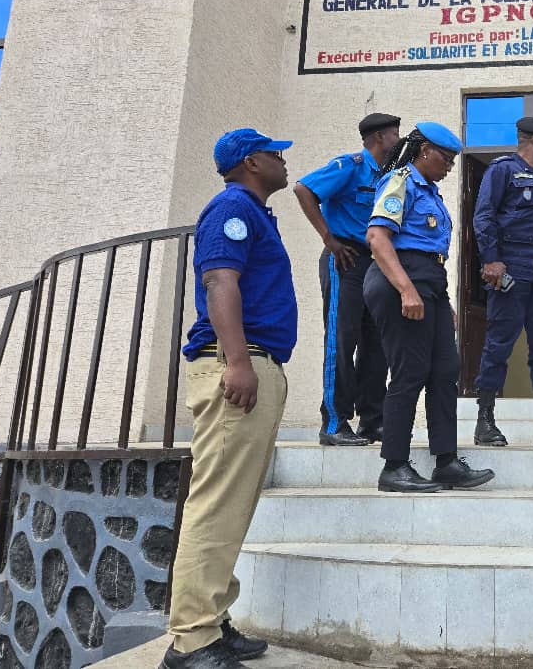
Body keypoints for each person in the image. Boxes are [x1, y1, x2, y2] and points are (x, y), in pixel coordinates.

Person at [162, 128, 297, 669]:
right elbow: (221, 281)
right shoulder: (231, 207)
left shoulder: (255, 211)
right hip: (235, 364)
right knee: (215, 504)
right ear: (250, 162)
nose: (284, 161)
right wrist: (238, 363)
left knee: (232, 504)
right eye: (276, 154)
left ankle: (211, 620)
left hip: (256, 362)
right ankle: (191, 639)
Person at [363, 121, 495, 492]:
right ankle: (394, 466)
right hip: (399, 280)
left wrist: (444, 301)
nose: (451, 165)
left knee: (445, 371)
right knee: (410, 371)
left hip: (429, 285)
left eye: (454, 159)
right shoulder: (401, 182)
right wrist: (406, 289)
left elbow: (432, 256)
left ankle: (446, 461)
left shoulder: (430, 192)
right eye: (446, 157)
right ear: (424, 151)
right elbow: (377, 238)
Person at [294, 113, 400, 445]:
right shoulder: (351, 166)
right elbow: (303, 188)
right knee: (342, 339)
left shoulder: (389, 175)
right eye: (395, 135)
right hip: (347, 260)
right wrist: (329, 239)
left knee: (377, 344)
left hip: (377, 262)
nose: (399, 141)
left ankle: (373, 420)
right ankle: (334, 423)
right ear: (380, 137)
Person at [472, 117, 533, 448]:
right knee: (499, 343)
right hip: (511, 271)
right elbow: (484, 215)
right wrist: (490, 259)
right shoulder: (502, 170)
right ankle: (484, 422)